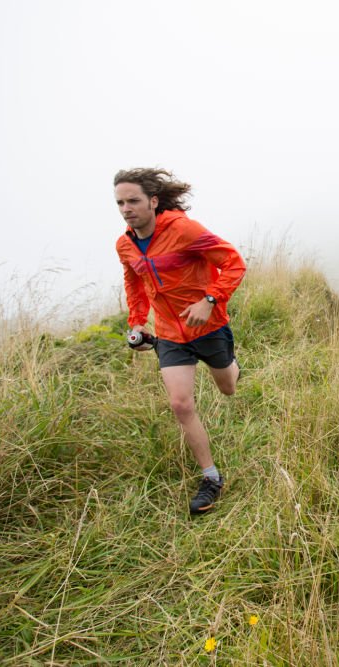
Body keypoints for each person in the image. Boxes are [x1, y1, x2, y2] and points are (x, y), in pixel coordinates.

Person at [114, 168, 247, 515]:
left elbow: (234, 263)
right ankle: (211, 478)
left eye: (133, 201)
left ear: (153, 201)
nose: (126, 209)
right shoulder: (125, 245)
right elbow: (134, 284)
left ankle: (232, 366)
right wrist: (138, 323)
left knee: (228, 387)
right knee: (180, 405)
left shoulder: (184, 230)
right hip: (171, 336)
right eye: (120, 203)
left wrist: (210, 300)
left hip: (209, 326)